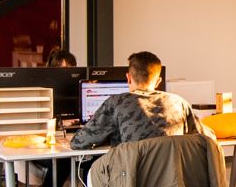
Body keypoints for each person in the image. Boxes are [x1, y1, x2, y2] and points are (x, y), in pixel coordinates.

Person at [72, 50, 201, 148]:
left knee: (90, 171)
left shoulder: (115, 103)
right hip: (171, 180)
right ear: (158, 81)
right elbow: (205, 137)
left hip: (130, 179)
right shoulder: (179, 103)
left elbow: (78, 142)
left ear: (128, 78)